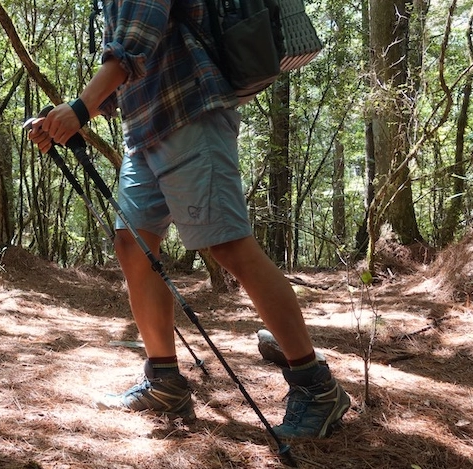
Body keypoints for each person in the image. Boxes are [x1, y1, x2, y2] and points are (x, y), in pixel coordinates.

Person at [27, 0, 350, 438]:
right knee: (132, 243)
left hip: (191, 113)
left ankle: (316, 388)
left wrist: (80, 108)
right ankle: (164, 383)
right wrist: (65, 117)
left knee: (228, 244)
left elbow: (133, 44)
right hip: (144, 130)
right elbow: (132, 72)